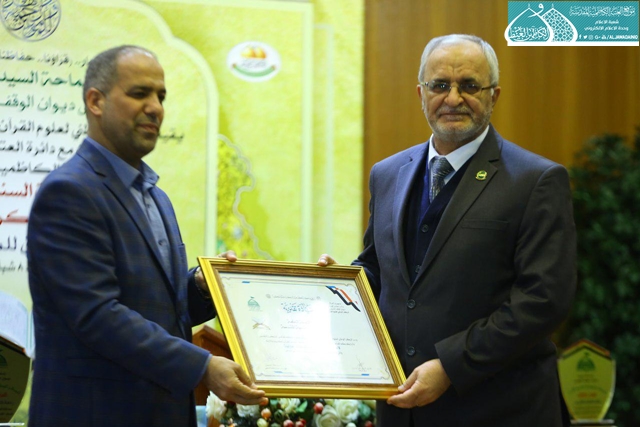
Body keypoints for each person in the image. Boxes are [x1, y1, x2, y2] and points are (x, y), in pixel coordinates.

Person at [318, 34, 576, 427]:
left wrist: (451, 366)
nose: (453, 98)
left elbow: (543, 300)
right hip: (401, 409)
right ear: (421, 93)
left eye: (469, 85)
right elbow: (378, 270)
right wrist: (338, 285)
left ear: (494, 95)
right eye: (440, 85)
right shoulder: (387, 174)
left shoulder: (536, 180)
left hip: (499, 410)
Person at [27, 45, 265, 427]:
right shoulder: (69, 192)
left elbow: (159, 310)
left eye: (161, 96)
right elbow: (97, 315)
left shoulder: (157, 198)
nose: (155, 107)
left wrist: (202, 288)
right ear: (96, 101)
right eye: (140, 93)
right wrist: (203, 366)